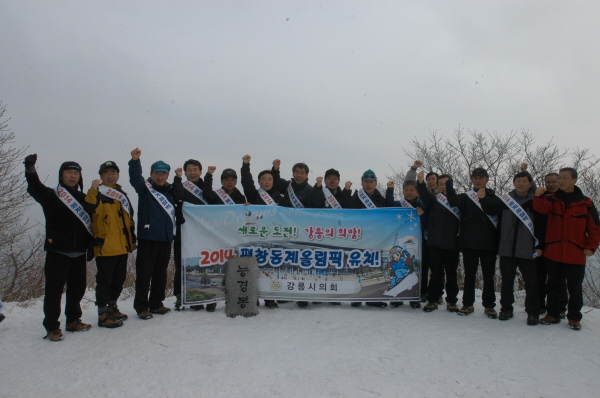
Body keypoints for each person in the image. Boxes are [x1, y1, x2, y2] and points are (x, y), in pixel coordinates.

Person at [25, 154, 94, 341]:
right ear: (61, 175)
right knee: (54, 292)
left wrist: (91, 245)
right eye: (68, 172)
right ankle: (52, 327)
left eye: (76, 173)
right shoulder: (51, 195)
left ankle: (73, 320)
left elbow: (91, 223)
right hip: (58, 252)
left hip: (79, 252)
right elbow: (35, 189)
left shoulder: (83, 198)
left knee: (77, 289)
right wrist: (30, 170)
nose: (72, 176)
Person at [534, 167, 600, 330]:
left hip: (575, 252)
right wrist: (537, 196)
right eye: (559, 178)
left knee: (575, 287)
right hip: (554, 251)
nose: (561, 181)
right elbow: (540, 209)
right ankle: (553, 314)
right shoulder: (551, 200)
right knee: (553, 285)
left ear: (574, 180)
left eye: (564, 178)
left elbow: (595, 228)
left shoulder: (586, 203)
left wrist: (591, 247)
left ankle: (574, 317)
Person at [480, 171, 545, 325]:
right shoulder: (505, 200)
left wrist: (540, 245)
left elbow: (542, 225)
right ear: (514, 183)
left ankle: (533, 312)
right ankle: (506, 309)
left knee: (531, 282)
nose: (520, 184)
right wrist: (482, 199)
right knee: (507, 281)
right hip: (507, 248)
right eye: (518, 181)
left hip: (528, 248)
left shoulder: (535, 201)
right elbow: (491, 210)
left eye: (524, 181)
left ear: (530, 184)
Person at [85, 161, 136, 328]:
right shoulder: (97, 193)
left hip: (122, 246)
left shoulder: (120, 193)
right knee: (105, 282)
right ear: (101, 176)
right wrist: (93, 190)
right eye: (106, 173)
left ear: (118, 175)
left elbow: (129, 219)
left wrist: (132, 240)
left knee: (118, 280)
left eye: (113, 172)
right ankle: (102, 313)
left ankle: (112, 307)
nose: (110, 176)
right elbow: (89, 207)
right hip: (105, 246)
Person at [446, 167, 502, 318]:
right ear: (472, 180)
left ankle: (489, 306)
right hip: (469, 244)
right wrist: (449, 186)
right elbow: (453, 201)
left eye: (481, 178)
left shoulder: (494, 198)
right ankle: (467, 304)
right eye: (475, 178)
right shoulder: (466, 197)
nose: (477, 180)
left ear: (486, 180)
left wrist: (483, 199)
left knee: (488, 277)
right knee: (469, 276)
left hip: (488, 244)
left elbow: (492, 211)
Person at [129, 148, 176, 319]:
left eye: (163, 174)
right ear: (151, 174)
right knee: (144, 274)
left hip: (165, 239)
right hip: (148, 238)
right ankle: (141, 306)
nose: (160, 176)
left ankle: (156, 303)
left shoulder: (171, 192)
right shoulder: (145, 188)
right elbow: (135, 179)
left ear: (167, 175)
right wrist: (135, 162)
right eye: (157, 173)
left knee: (160, 274)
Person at [171, 159, 216, 312]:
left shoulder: (206, 187)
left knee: (205, 266)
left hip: (203, 235)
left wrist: (209, 177)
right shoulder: (180, 186)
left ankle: (209, 296)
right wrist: (177, 179)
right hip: (183, 233)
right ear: (185, 172)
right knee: (182, 266)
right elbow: (177, 197)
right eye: (189, 170)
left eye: (195, 169)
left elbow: (210, 197)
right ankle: (180, 296)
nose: (192, 172)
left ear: (200, 171)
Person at [240, 155, 282, 309]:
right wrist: (246, 165)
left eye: (269, 179)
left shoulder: (280, 198)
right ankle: (254, 297)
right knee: (254, 270)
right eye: (263, 179)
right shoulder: (254, 195)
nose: (266, 181)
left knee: (270, 269)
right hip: (255, 239)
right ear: (259, 182)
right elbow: (246, 182)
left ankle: (270, 298)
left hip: (273, 239)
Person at [417, 171, 461, 313]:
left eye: (447, 184)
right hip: (435, 243)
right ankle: (433, 300)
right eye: (441, 184)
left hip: (453, 244)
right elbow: (423, 193)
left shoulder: (459, 200)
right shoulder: (434, 200)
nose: (444, 187)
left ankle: (452, 302)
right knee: (435, 274)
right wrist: (420, 181)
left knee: (451, 274)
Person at [386, 178, 427, 309]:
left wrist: (423, 215)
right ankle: (398, 297)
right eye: (406, 190)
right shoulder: (399, 204)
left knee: (418, 270)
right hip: (402, 245)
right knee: (400, 270)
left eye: (412, 190)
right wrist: (390, 190)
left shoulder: (423, 204)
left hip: (419, 243)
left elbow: (429, 224)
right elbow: (388, 205)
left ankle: (415, 296)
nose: (409, 192)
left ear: (417, 191)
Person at [350, 169, 388, 308]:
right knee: (358, 267)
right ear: (362, 182)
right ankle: (356, 296)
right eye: (366, 182)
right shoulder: (355, 198)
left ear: (376, 183)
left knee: (374, 268)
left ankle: (373, 297)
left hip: (376, 238)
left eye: (371, 182)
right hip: (359, 237)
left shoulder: (381, 199)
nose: (369, 184)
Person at [535, 172, 566, 316]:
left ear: (559, 182)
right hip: (541, 243)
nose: (551, 185)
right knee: (539, 276)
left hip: (559, 244)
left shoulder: (565, 198)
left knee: (558, 279)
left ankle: (559, 307)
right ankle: (540, 304)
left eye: (554, 181)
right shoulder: (541, 198)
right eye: (548, 182)